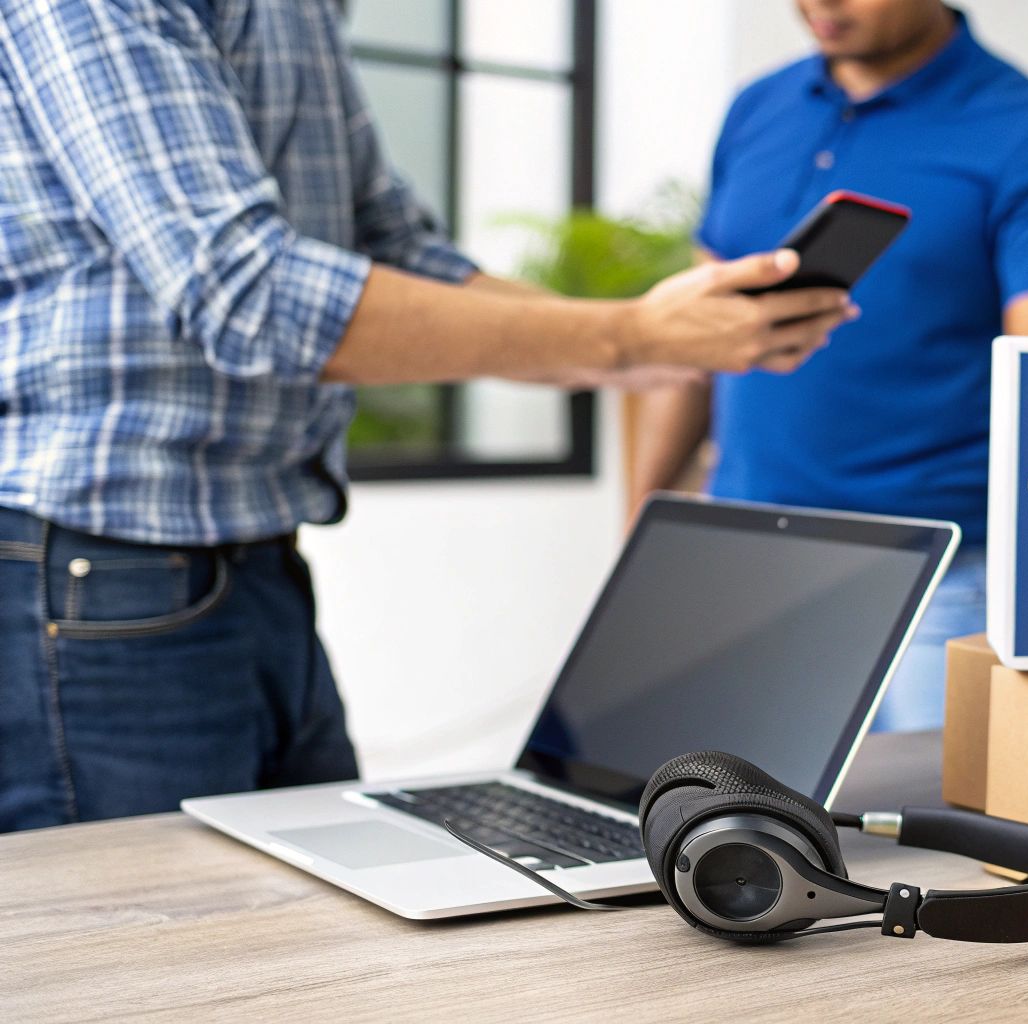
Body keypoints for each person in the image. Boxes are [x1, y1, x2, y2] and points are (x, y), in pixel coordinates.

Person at [0, 0, 853, 832]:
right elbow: (246, 289)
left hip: (258, 565)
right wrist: (627, 336)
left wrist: (674, 344)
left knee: (318, 940)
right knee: (146, 957)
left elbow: (407, 256)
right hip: (95, 569)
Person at [629, 0, 1028, 731]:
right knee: (735, 829)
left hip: (935, 579)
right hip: (743, 554)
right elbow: (696, 344)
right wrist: (645, 528)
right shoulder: (757, 107)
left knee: (921, 832)